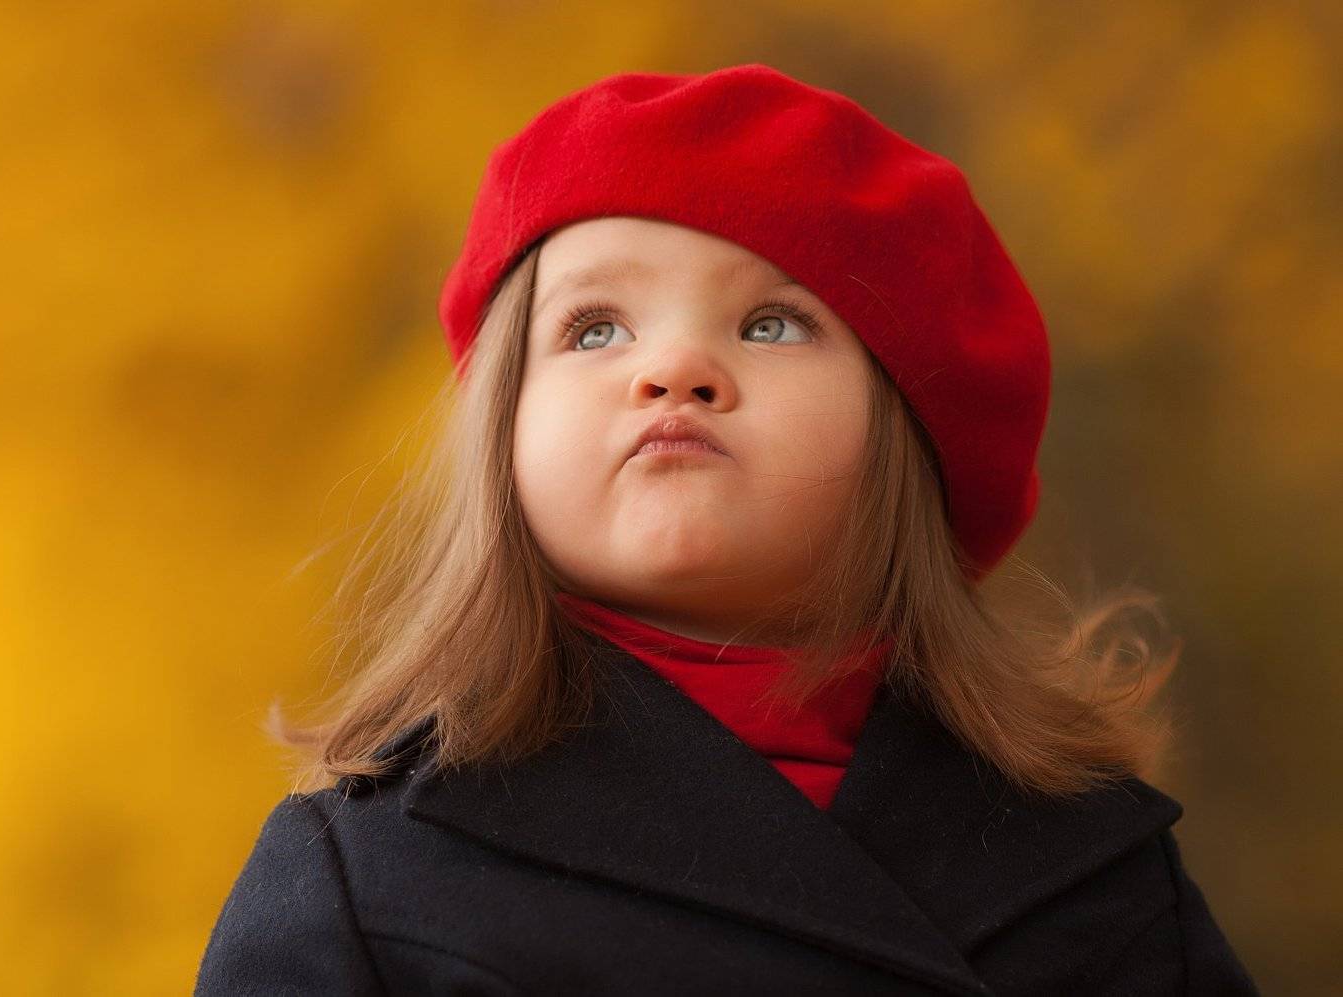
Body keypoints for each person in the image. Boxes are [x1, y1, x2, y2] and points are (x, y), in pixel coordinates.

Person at [194, 64, 1258, 995]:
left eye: (771, 324)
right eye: (594, 329)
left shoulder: (1095, 864)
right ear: (501, 431)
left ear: (909, 436)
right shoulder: (367, 873)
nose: (674, 369)